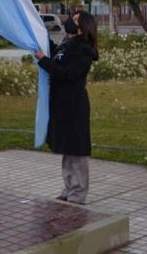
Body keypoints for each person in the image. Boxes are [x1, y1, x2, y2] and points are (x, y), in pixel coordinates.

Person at [34, 11, 99, 204]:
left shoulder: (84, 50)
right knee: (66, 149)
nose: (70, 21)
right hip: (61, 104)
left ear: (82, 27)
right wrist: (38, 35)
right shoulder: (67, 44)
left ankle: (78, 193)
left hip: (74, 105)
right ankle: (69, 187)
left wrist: (43, 60)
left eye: (75, 20)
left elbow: (67, 73)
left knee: (76, 150)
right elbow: (55, 55)